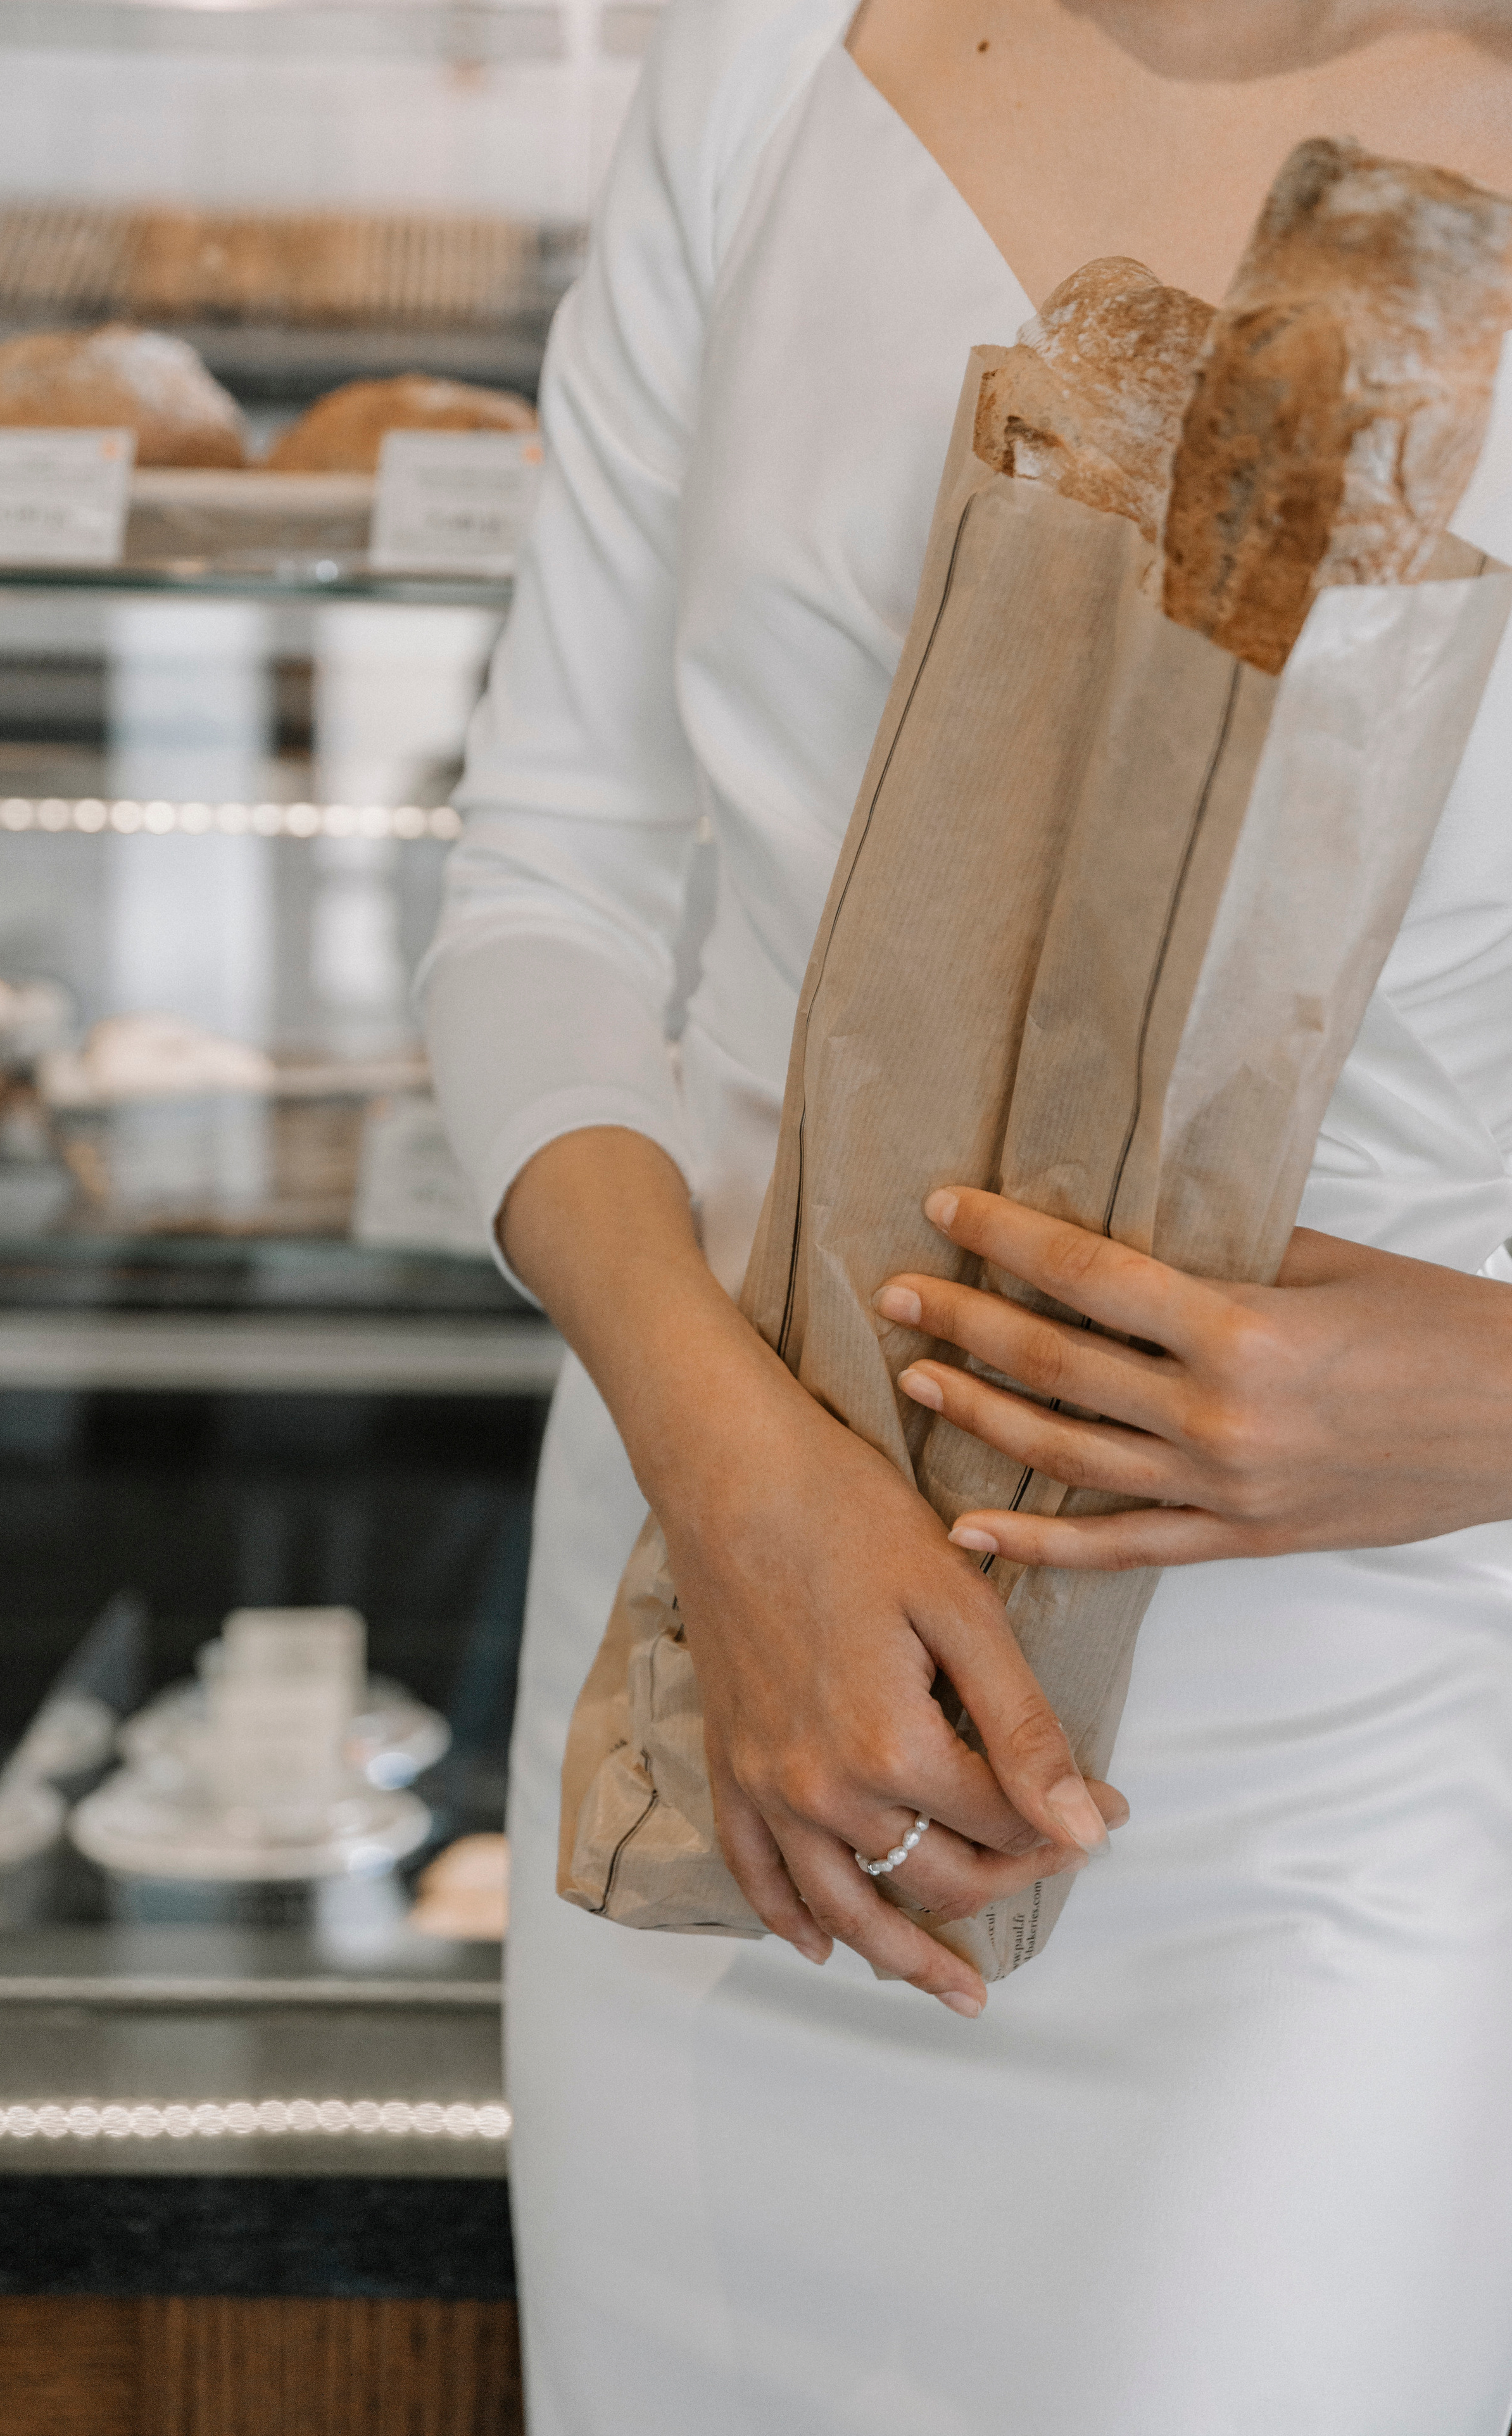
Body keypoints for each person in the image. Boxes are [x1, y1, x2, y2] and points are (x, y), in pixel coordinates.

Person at [420, 2, 1512, 2427]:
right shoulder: (760, 67)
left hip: (1345, 1768)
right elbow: (547, 887)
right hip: (735, 1694)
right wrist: (726, 1472)